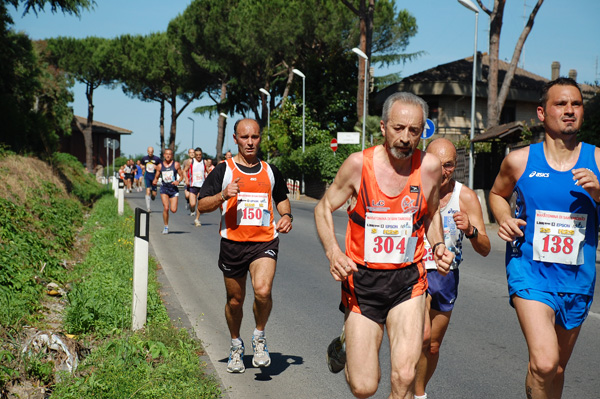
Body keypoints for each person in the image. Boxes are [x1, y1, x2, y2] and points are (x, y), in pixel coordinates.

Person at [314, 92, 454, 399]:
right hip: (363, 282)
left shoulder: (429, 168)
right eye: (398, 128)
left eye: (414, 131)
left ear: (422, 131)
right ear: (383, 127)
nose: (405, 138)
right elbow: (323, 208)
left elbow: (431, 215)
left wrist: (439, 245)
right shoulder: (357, 165)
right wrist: (333, 252)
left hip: (409, 281)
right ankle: (349, 342)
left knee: (404, 376)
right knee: (364, 388)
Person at [489, 77, 598, 399]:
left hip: (578, 278)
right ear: (541, 112)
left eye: (576, 104)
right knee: (546, 361)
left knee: (555, 369)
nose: (569, 111)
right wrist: (505, 218)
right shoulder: (520, 160)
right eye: (560, 104)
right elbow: (497, 193)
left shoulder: (598, 160)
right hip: (530, 272)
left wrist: (599, 192)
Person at [197, 118, 292, 374]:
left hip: (264, 242)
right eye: (244, 137)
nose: (250, 142)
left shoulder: (270, 171)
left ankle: (259, 337)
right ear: (235, 139)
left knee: (262, 291)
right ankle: (236, 345)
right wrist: (222, 195)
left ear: (260, 138)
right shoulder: (223, 170)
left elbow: (282, 200)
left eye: (255, 137)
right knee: (235, 301)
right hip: (232, 244)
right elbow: (201, 205)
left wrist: (286, 217)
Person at [414, 138, 491, 399]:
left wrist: (471, 230)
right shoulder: (412, 186)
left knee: (433, 346)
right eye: (437, 163)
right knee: (421, 338)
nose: (443, 170)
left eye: (449, 165)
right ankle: (412, 393)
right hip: (414, 270)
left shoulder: (465, 196)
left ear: (455, 166)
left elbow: (485, 248)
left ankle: (417, 390)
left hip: (445, 275)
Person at [152, 148, 184, 234]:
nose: (168, 155)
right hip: (164, 188)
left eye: (170, 154)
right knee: (166, 208)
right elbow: (156, 177)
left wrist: (178, 181)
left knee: (173, 210)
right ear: (164, 155)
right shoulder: (160, 166)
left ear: (172, 155)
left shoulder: (176, 165)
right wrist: (155, 181)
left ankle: (166, 224)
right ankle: (166, 226)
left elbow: (181, 176)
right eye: (166, 154)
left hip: (173, 189)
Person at [183, 147, 206, 227]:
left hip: (202, 186)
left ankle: (197, 219)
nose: (198, 156)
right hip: (193, 186)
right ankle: (192, 209)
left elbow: (209, 172)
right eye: (197, 155)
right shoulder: (191, 161)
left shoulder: (204, 162)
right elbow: (184, 171)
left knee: (199, 204)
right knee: (193, 204)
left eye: (200, 155)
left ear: (201, 154)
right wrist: (186, 179)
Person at [140, 146, 162, 212]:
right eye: (149, 152)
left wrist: (157, 167)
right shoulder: (144, 158)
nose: (150, 153)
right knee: (148, 191)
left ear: (153, 152)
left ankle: (153, 195)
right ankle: (148, 208)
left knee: (154, 194)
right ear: (147, 151)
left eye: (151, 152)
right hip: (147, 176)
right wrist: (142, 167)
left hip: (154, 176)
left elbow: (161, 166)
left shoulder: (157, 159)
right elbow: (141, 164)